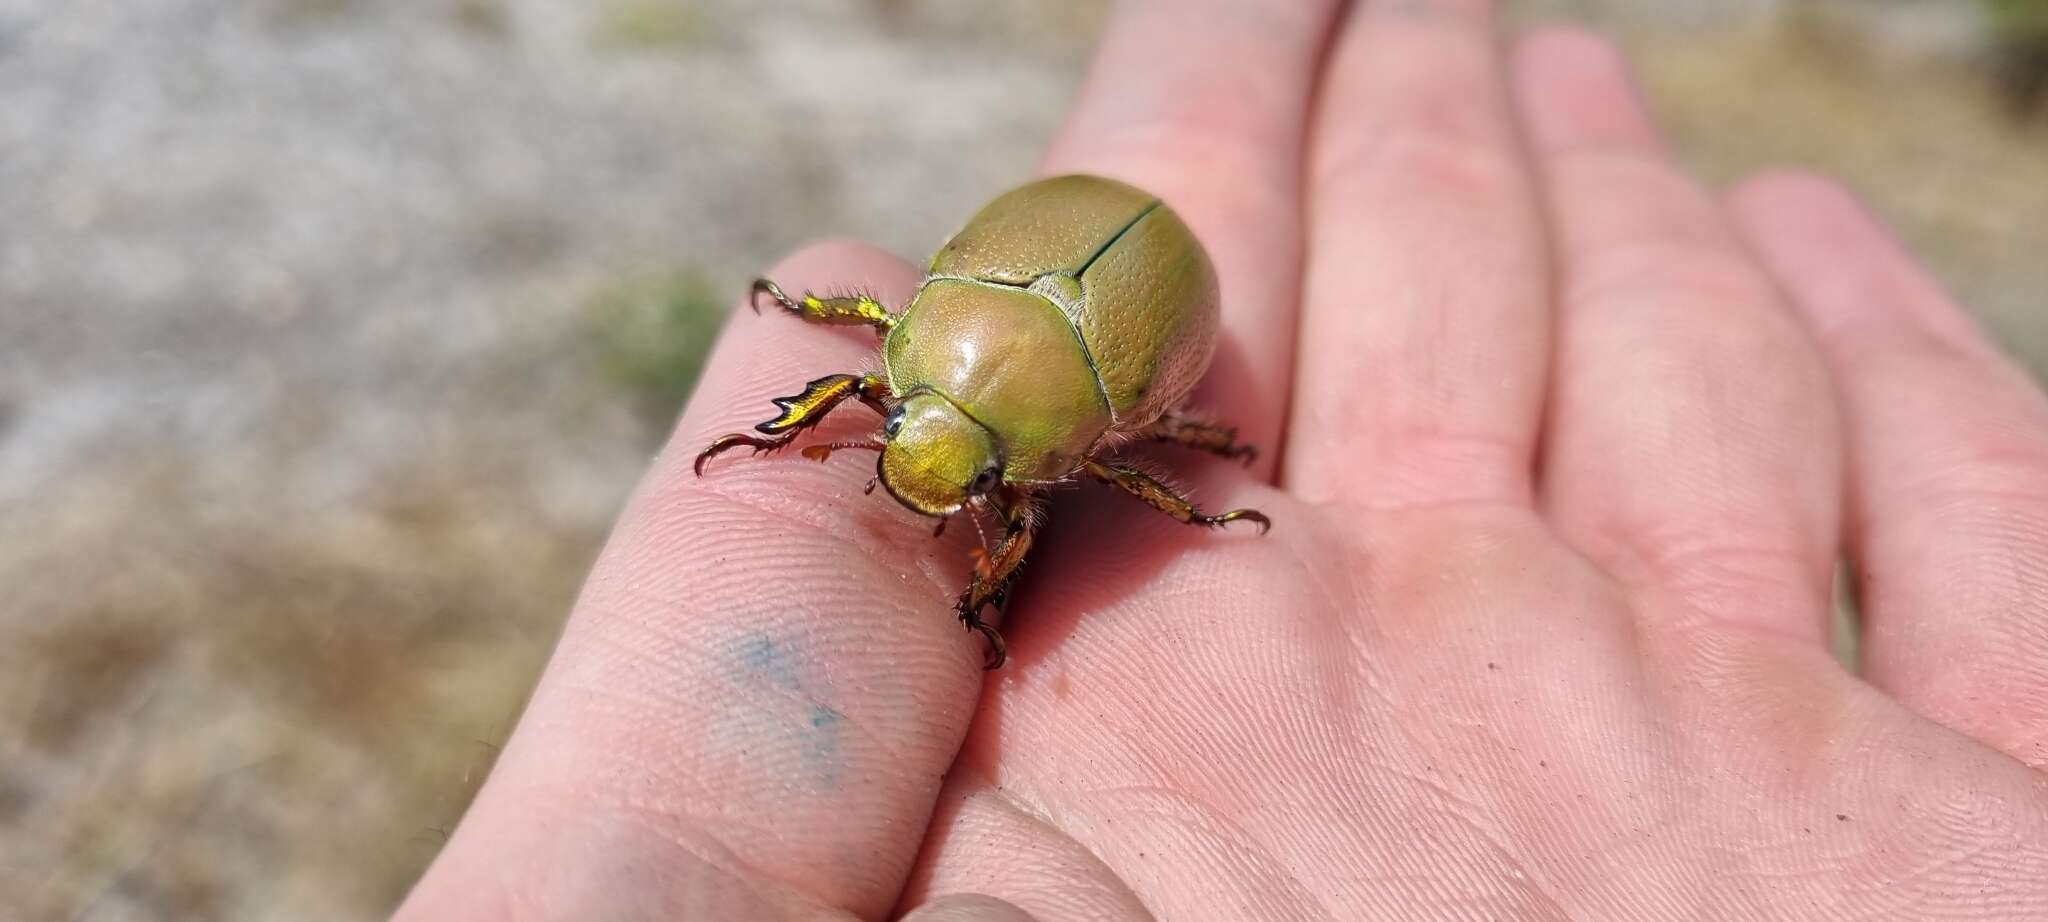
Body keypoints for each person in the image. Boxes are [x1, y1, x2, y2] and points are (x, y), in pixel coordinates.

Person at [396, 2, 2048, 918]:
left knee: (1083, 449)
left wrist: (1135, 496)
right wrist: (810, 406)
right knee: (833, 356)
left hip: (1116, 309)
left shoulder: (1079, 436)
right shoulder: (913, 354)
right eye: (910, 434)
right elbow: (867, 360)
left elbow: (1077, 472)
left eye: (951, 464)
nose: (919, 466)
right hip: (1046, 290)